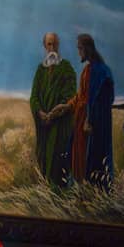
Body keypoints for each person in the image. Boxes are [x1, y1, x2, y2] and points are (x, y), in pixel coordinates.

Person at [28, 31, 77, 188]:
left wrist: (55, 113)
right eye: (49, 44)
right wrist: (40, 112)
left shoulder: (67, 68)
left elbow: (70, 95)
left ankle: (58, 194)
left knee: (58, 158)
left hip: (60, 124)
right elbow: (34, 96)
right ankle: (44, 192)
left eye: (55, 43)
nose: (52, 47)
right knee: (43, 156)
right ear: (45, 46)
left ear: (58, 45)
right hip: (44, 125)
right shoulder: (40, 70)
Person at [72, 34, 114, 189]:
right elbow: (82, 95)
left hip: (95, 124)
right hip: (85, 120)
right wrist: (68, 106)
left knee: (94, 158)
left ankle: (94, 191)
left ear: (87, 49)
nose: (79, 52)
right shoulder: (87, 70)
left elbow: (99, 99)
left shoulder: (100, 70)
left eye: (80, 48)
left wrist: (89, 119)